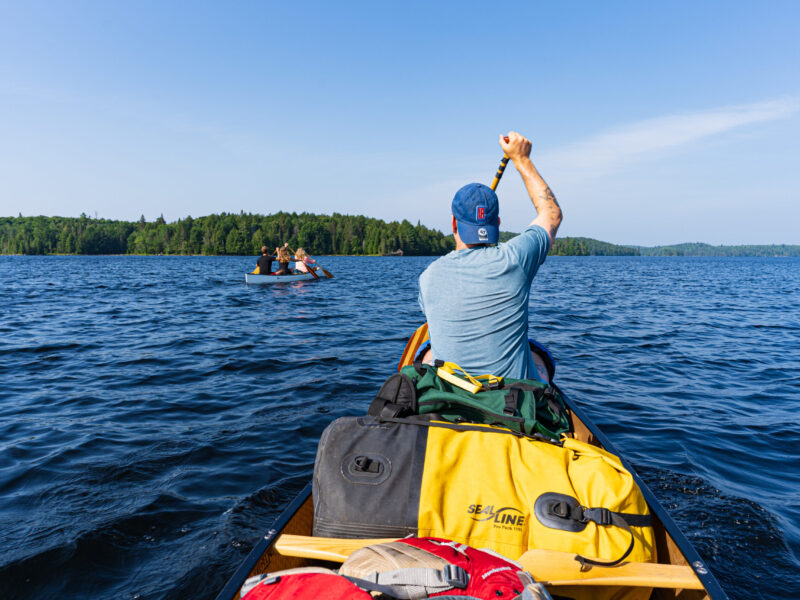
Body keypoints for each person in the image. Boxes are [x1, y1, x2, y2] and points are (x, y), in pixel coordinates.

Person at [417, 131, 562, 381]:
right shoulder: (516, 258)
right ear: (498, 223)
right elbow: (551, 214)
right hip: (512, 404)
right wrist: (521, 159)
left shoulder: (429, 276)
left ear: (453, 223)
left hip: (454, 399)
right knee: (538, 354)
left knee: (427, 353)